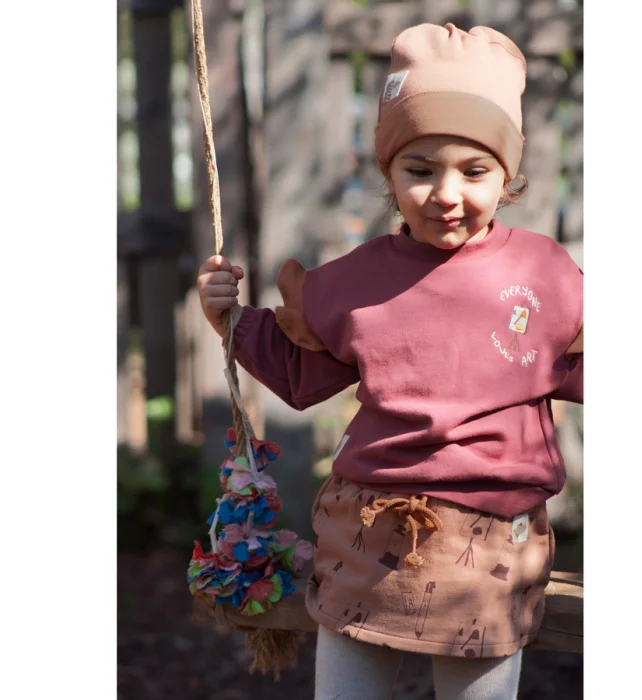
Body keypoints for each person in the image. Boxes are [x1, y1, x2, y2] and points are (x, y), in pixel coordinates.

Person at [197, 23, 583, 700]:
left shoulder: (544, 275)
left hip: (489, 545)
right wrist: (229, 319)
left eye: (474, 171)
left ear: (508, 175)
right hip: (367, 535)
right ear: (388, 173)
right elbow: (301, 373)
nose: (446, 193)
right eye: (419, 170)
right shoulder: (357, 281)